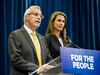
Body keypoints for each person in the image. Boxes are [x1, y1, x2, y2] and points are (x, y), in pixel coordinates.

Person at [8, 6, 56, 75]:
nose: (39, 17)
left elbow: (48, 59)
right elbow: (16, 60)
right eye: (36, 14)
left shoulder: (42, 38)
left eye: (40, 16)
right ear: (26, 17)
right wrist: (38, 68)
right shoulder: (15, 35)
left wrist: (58, 67)